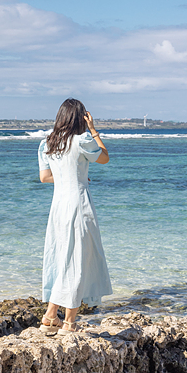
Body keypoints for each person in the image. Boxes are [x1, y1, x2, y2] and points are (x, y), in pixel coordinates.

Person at [37, 98, 112, 334]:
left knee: (63, 259)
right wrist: (93, 129)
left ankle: (51, 317)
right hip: (79, 205)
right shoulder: (81, 141)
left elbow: (45, 178)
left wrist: (72, 177)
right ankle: (68, 322)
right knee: (77, 260)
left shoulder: (47, 143)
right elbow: (104, 157)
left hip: (58, 207)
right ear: (80, 118)